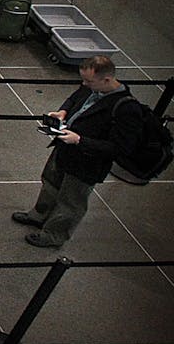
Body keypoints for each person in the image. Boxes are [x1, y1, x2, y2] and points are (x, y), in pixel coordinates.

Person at [13, 56, 142, 248]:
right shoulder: (91, 87)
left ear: (106, 80)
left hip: (87, 163)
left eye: (89, 81)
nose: (84, 84)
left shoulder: (127, 109)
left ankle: (54, 235)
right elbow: (75, 98)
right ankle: (39, 215)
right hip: (65, 149)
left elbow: (119, 148)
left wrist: (80, 140)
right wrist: (63, 112)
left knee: (71, 201)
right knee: (50, 183)